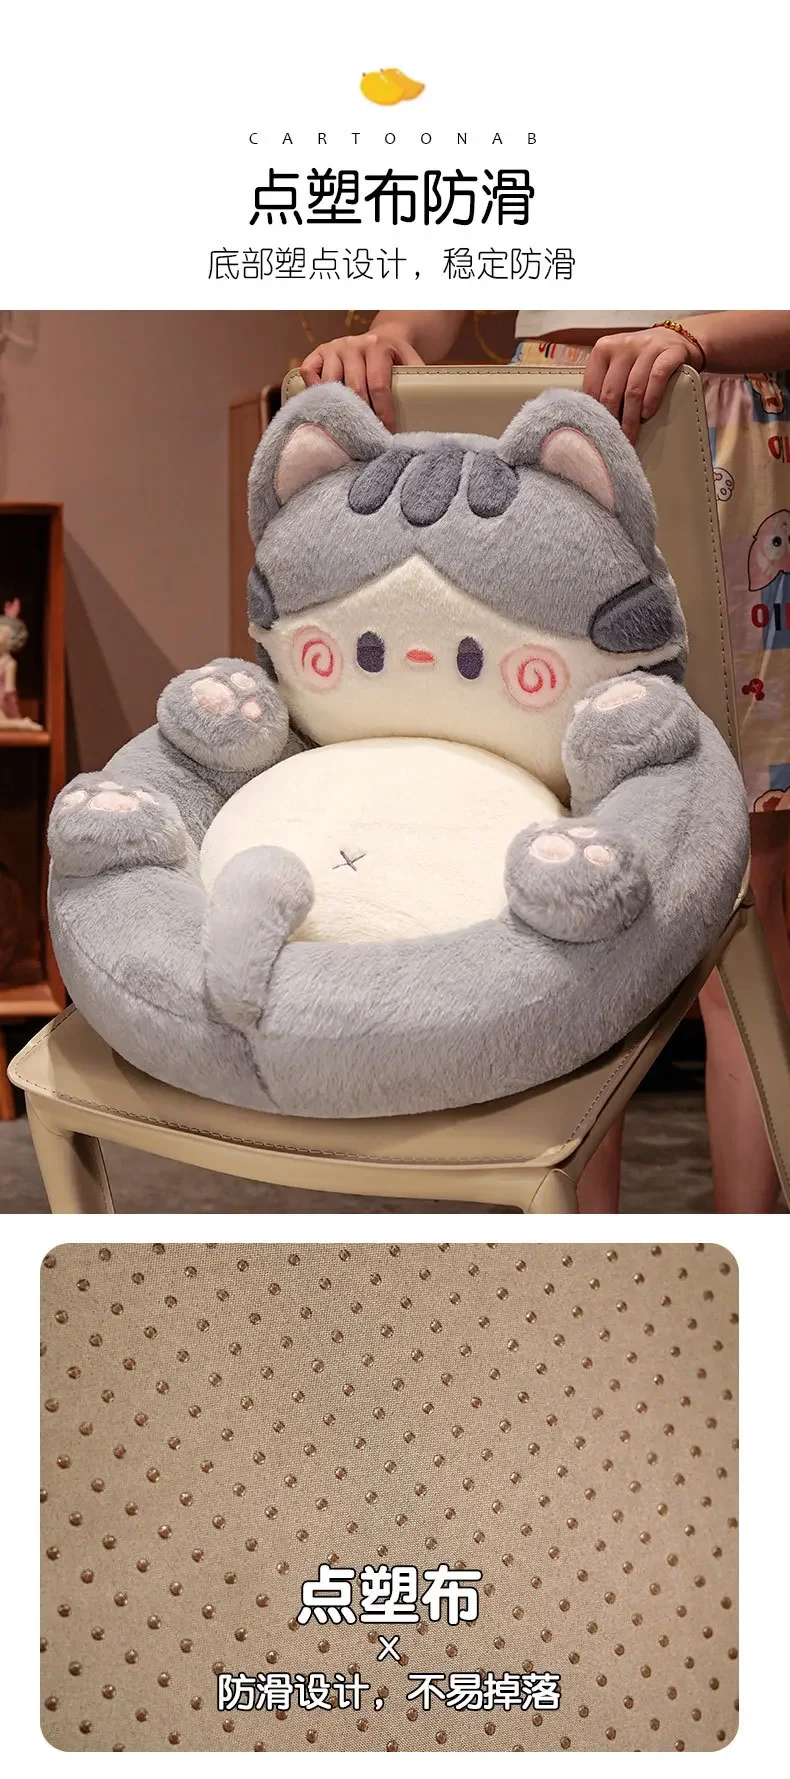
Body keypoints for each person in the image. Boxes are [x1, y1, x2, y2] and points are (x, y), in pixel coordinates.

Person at [300, 310, 790, 1212]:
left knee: (747, 911)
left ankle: (753, 1257)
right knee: (558, 880)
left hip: (721, 411)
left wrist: (695, 333)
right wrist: (391, 329)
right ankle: (574, 1255)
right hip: (552, 409)